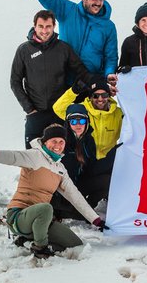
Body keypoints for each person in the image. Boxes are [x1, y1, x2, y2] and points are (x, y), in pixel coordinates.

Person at [0, 125, 99, 257]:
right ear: (45, 141)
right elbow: (12, 157)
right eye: (54, 141)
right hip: (19, 216)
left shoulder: (60, 169)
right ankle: (39, 247)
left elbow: (75, 196)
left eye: (61, 141)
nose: (58, 145)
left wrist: (96, 220)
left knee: (75, 244)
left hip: (42, 220)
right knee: (46, 208)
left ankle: (25, 241)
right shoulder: (35, 155)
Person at [6, 0, 118, 79]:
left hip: (91, 82)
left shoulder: (109, 26)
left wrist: (109, 73)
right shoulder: (68, 11)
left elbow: (111, 56)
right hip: (64, 80)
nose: (97, 3)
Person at [10, 9, 92, 147]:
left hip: (59, 112)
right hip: (35, 113)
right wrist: (29, 109)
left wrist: (77, 98)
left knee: (62, 157)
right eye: (41, 26)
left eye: (48, 26)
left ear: (54, 26)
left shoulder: (63, 48)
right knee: (33, 159)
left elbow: (82, 72)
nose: (44, 30)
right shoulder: (24, 50)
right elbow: (15, 82)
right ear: (34, 26)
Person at [52, 80, 123, 208]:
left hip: (100, 162)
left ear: (109, 96)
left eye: (104, 95)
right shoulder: (82, 111)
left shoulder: (118, 114)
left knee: (111, 180)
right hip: (84, 161)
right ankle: (68, 206)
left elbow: (136, 121)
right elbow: (58, 108)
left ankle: (92, 205)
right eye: (95, 95)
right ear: (90, 97)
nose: (100, 99)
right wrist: (74, 91)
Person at [50, 103, 107, 220]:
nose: (78, 125)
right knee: (70, 162)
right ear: (68, 123)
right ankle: (62, 210)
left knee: (106, 179)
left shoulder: (89, 140)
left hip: (79, 184)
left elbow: (92, 167)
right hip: (61, 190)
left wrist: (111, 158)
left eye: (81, 121)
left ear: (87, 122)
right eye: (73, 122)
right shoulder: (61, 141)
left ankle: (85, 209)